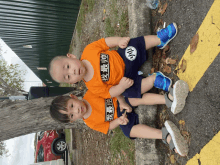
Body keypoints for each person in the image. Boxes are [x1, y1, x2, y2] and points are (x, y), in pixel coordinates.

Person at [49, 23, 179, 107]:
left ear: (71, 57)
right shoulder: (92, 86)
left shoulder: (88, 51)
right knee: (133, 92)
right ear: (72, 82)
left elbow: (105, 43)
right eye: (68, 77)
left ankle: (159, 39)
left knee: (134, 44)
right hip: (125, 80)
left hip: (124, 58)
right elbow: (109, 93)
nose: (72, 72)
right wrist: (121, 87)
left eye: (67, 67)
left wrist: (119, 41)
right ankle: (154, 80)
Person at [50, 81, 189, 156]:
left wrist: (121, 102)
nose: (76, 110)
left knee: (134, 99)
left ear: (73, 97)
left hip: (122, 100)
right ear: (73, 120)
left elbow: (111, 90)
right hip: (121, 116)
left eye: (72, 106)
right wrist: (119, 121)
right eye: (72, 114)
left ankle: (168, 99)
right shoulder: (90, 122)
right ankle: (165, 135)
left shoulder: (90, 94)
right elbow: (108, 126)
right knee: (129, 132)